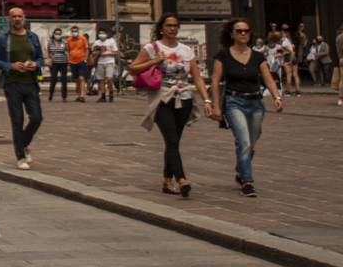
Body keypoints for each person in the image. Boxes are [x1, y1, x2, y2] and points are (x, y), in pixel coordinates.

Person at [130, 14, 212, 197]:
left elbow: (197, 77)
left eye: (175, 26)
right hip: (162, 99)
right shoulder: (152, 48)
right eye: (169, 25)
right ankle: (182, 179)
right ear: (161, 28)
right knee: (172, 139)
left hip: (184, 98)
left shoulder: (185, 50)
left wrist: (206, 100)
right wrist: (154, 61)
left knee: (173, 141)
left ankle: (167, 180)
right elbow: (133, 68)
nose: (172, 29)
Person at [210, 18, 283, 197]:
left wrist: (277, 96)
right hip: (234, 102)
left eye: (246, 31)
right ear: (232, 34)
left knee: (251, 142)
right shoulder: (223, 55)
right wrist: (215, 107)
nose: (243, 33)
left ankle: (240, 168)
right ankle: (247, 181)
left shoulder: (258, 56)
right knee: (244, 141)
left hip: (256, 103)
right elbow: (215, 81)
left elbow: (267, 78)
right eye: (239, 31)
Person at [0, 7, 43, 170]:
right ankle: (20, 157)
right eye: (14, 17)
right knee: (17, 120)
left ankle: (23, 143)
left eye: (20, 16)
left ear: (24, 18)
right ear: (10, 19)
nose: (17, 19)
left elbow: (40, 57)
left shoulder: (32, 37)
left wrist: (36, 64)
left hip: (30, 83)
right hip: (12, 84)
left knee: (36, 117)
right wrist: (9, 65)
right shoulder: (3, 39)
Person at [67, 25, 91, 102]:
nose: (74, 33)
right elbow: (68, 50)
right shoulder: (69, 40)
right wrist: (69, 59)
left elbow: (87, 49)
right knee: (76, 79)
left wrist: (85, 59)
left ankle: (83, 96)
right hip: (73, 62)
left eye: (76, 31)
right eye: (73, 31)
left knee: (82, 78)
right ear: (71, 32)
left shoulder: (82, 38)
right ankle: (79, 95)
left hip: (82, 61)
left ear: (78, 31)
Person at [95, 29, 119, 102]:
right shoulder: (96, 42)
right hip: (100, 62)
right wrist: (97, 53)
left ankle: (111, 93)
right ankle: (103, 96)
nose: (101, 35)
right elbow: (94, 52)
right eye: (100, 34)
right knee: (101, 79)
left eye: (103, 33)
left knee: (109, 78)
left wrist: (107, 53)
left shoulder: (111, 41)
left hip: (109, 61)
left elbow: (116, 52)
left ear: (106, 34)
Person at [46, 28, 70, 102]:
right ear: (54, 34)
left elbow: (67, 51)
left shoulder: (64, 42)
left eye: (59, 34)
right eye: (56, 33)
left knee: (64, 80)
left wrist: (68, 62)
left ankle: (64, 97)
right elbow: (48, 52)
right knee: (53, 79)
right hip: (54, 63)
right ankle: (50, 95)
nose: (58, 35)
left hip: (63, 62)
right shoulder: (50, 42)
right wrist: (49, 60)